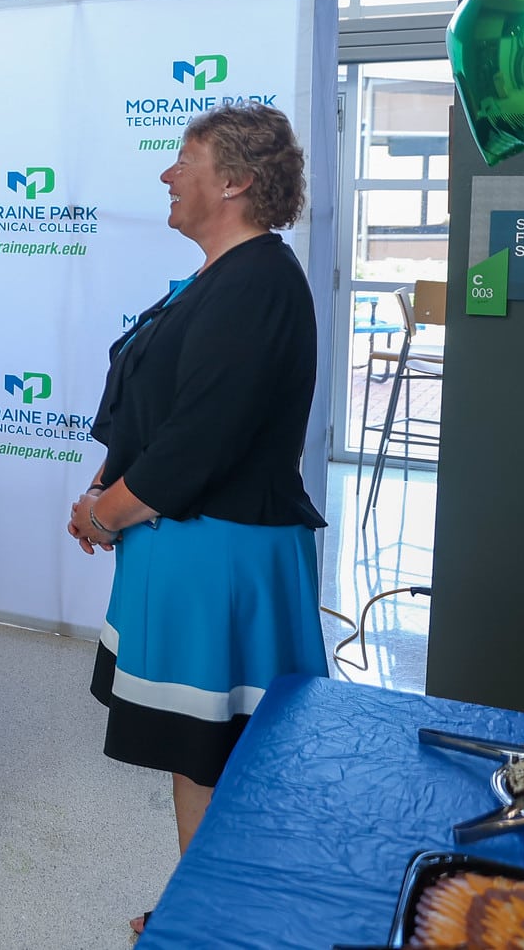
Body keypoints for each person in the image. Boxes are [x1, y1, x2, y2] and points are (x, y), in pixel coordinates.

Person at [66, 103, 328, 937]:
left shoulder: (258, 283)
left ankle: (219, 926)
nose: (167, 174)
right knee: (197, 753)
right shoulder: (222, 279)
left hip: (221, 560)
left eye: (185, 160)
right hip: (188, 554)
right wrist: (106, 484)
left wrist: (106, 513)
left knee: (218, 758)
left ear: (237, 180)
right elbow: (157, 409)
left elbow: (198, 443)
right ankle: (205, 911)